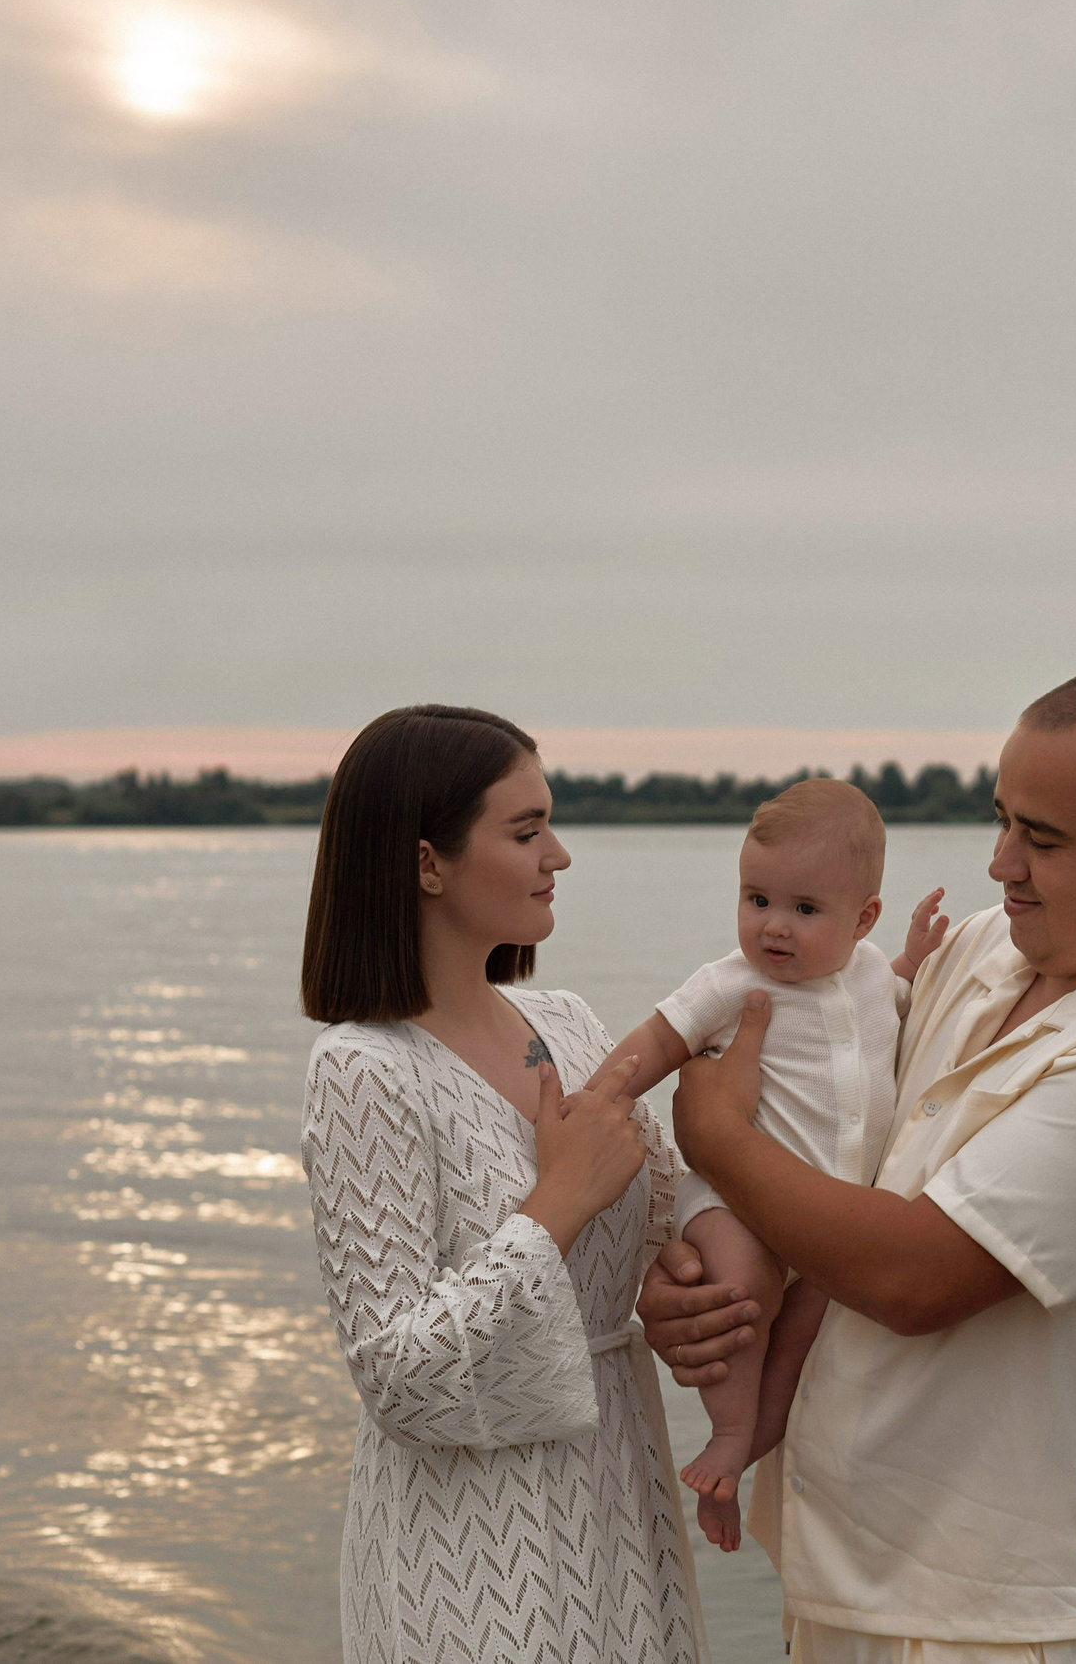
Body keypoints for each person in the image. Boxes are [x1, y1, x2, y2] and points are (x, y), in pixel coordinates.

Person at [642, 662, 1076, 1663]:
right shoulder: (978, 951)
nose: (1001, 863)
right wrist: (703, 1281)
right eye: (1001, 819)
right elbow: (824, 1157)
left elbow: (911, 1275)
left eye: (1041, 838)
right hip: (842, 1575)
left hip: (1011, 1619)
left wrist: (719, 1143)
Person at [299, 704, 704, 1664]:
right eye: (526, 832)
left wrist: (684, 1279)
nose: (558, 854)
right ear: (428, 863)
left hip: (617, 1502)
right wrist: (556, 1204)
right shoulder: (363, 1069)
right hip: (465, 1554)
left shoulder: (564, 1023)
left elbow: (660, 1204)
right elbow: (397, 1377)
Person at [597, 779, 949, 1551]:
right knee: (744, 1296)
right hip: (739, 1207)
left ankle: (743, 1457)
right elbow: (659, 1040)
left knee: (802, 1349)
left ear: (863, 919)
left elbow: (891, 992)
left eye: (804, 908)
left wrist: (915, 959)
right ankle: (726, 1432)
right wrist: (600, 1095)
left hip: (831, 1226)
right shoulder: (732, 982)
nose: (774, 926)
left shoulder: (869, 973)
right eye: (756, 899)